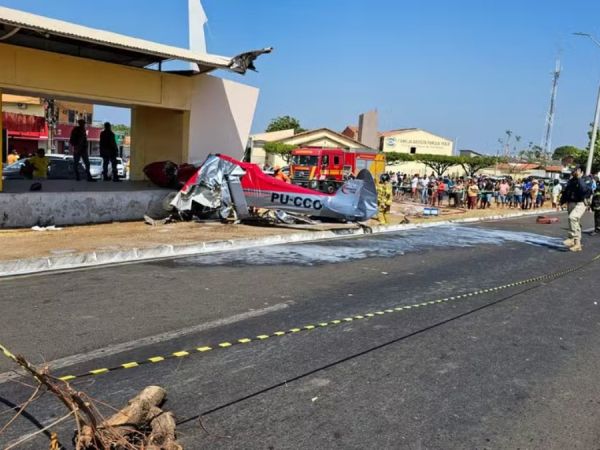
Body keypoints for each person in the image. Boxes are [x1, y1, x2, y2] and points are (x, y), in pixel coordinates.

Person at [560, 166, 592, 252]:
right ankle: (577, 244)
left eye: (576, 171)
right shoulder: (571, 180)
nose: (574, 172)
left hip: (581, 202)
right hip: (571, 202)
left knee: (572, 218)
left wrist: (579, 178)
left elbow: (584, 190)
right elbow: (566, 191)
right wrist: (562, 201)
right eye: (573, 171)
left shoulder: (586, 179)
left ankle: (572, 237)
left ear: (581, 172)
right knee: (575, 222)